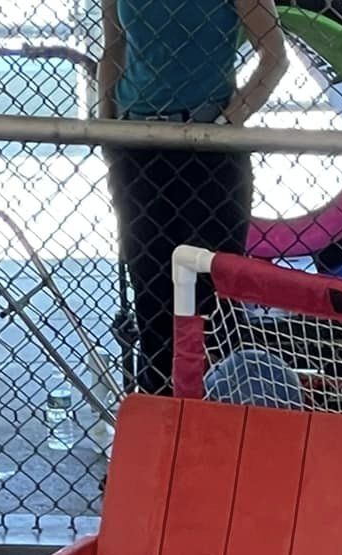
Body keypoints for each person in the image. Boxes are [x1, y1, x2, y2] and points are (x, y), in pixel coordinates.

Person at [98, 0, 287, 394]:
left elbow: (274, 56)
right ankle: (161, 413)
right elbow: (114, 46)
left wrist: (226, 123)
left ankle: (217, 414)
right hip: (137, 143)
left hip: (208, 144)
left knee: (213, 294)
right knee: (151, 292)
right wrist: (107, 129)